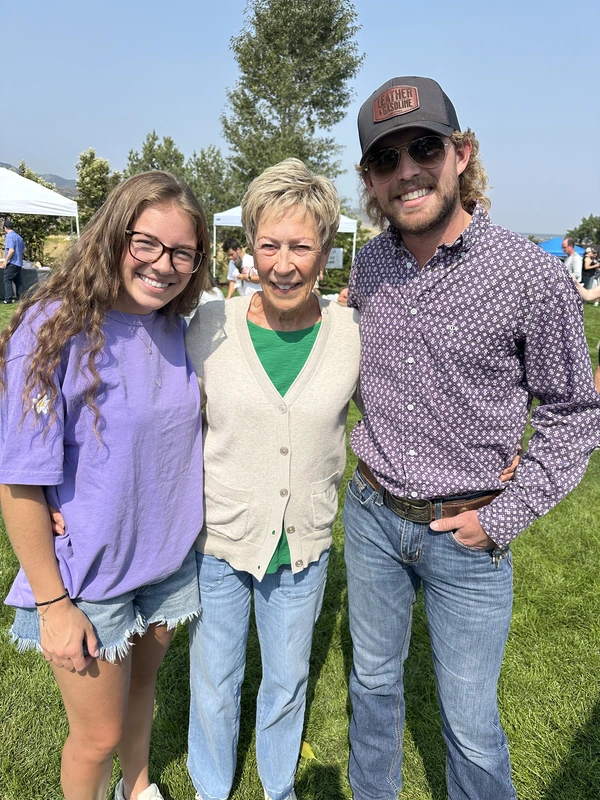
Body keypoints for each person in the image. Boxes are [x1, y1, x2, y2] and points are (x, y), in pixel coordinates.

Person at [343, 75, 600, 800]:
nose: (407, 171)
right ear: (370, 179)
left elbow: (574, 410)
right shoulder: (369, 266)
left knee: (471, 721)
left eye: (423, 148)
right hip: (370, 516)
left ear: (461, 153)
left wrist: (503, 517)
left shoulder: (529, 274)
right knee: (371, 685)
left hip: (469, 533)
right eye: (386, 161)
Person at [0, 171, 210, 800]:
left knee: (142, 692)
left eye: (182, 252)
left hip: (167, 562)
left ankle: (137, 786)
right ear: (113, 234)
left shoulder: (176, 326)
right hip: (88, 579)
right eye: (146, 243)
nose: (163, 265)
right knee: (96, 736)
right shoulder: (52, 327)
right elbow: (18, 480)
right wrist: (52, 604)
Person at [185, 158, 361, 800]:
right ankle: (211, 785)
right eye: (269, 245)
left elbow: (399, 413)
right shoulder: (207, 325)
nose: (283, 263)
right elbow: (153, 418)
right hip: (221, 542)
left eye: (301, 245)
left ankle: (277, 785)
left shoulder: (350, 332)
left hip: (304, 547)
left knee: (286, 680)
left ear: (326, 251)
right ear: (249, 247)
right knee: (214, 676)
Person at [2, 218, 25, 303]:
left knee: (7, 279)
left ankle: (8, 299)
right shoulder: (18, 236)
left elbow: (11, 250)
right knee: (17, 281)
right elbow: (24, 249)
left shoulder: (9, 236)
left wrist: (5, 261)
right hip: (19, 262)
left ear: (5, 228)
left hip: (12, 262)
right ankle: (21, 298)